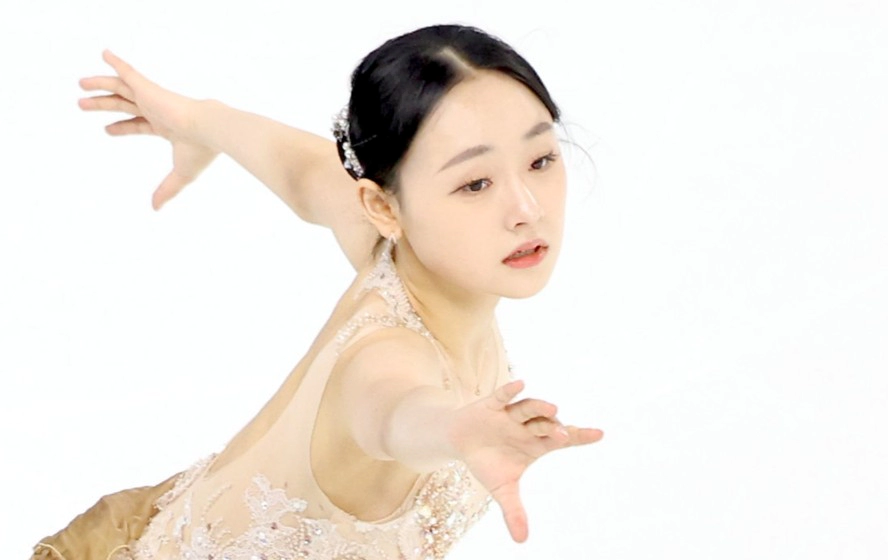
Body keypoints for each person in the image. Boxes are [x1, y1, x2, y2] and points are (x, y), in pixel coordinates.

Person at [31, 24, 604, 560]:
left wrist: (198, 121)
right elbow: (392, 411)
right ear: (383, 206)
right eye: (475, 183)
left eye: (540, 159)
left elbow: (302, 170)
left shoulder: (397, 243)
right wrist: (455, 430)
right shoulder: (387, 353)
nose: (527, 208)